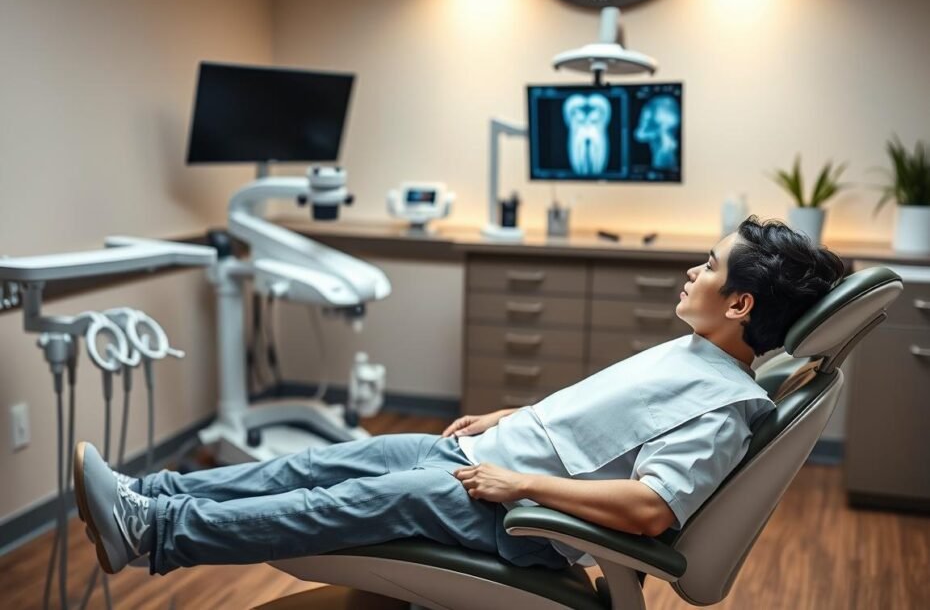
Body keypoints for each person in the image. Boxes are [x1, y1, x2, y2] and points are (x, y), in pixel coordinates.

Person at [73, 216, 845, 577]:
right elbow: (612, 419)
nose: (692, 271)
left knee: (332, 506)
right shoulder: (700, 355)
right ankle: (154, 490)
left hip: (514, 514)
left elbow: (652, 510)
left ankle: (150, 532)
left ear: (741, 303)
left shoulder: (726, 406)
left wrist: (521, 483)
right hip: (486, 458)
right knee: (315, 467)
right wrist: (517, 420)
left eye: (708, 268)